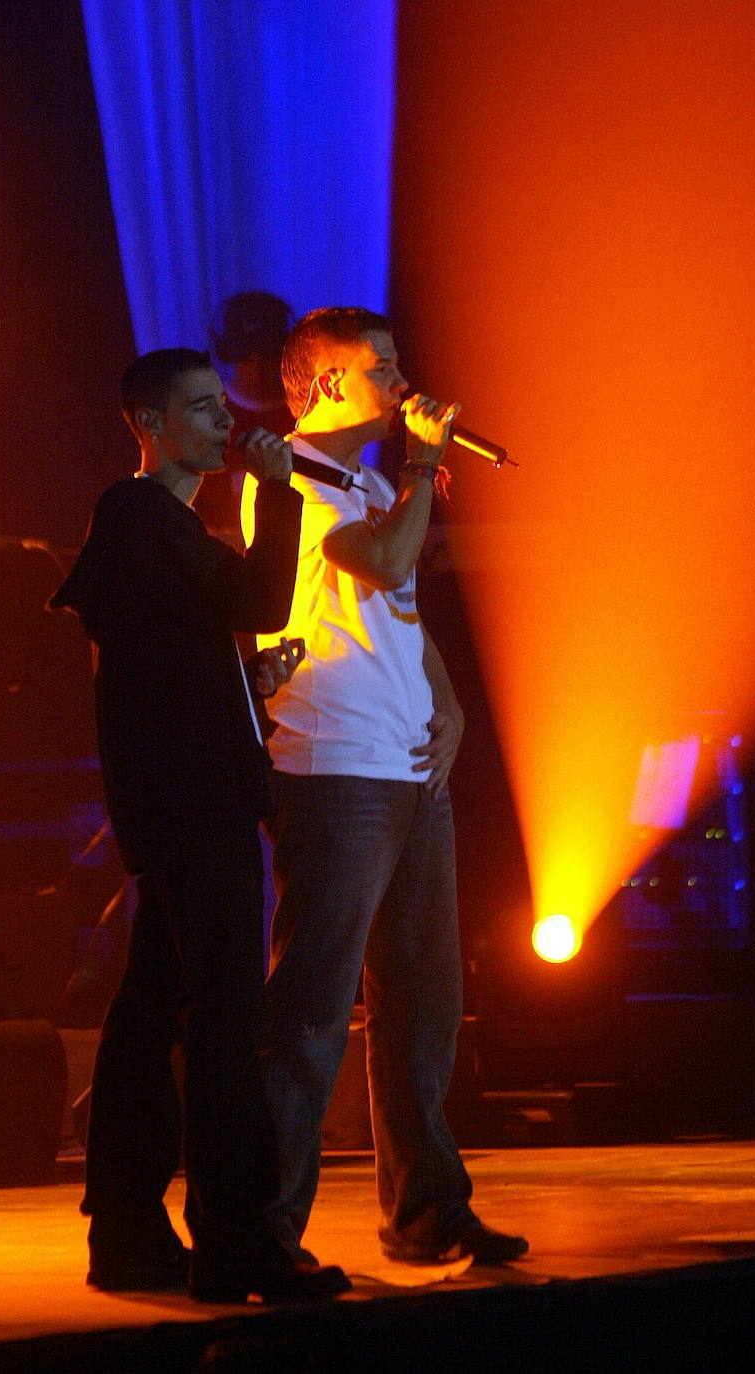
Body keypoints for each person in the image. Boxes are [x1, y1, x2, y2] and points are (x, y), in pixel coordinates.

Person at [49, 347, 349, 1304]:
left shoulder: (151, 530)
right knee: (224, 1021)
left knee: (150, 1017)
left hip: (179, 805)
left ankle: (130, 1233)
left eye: (223, 406)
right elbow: (261, 599)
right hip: (195, 810)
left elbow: (170, 661)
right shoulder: (140, 516)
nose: (226, 423)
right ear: (148, 424)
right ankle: (237, 1246)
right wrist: (281, 496)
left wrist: (238, 687)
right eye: (202, 409)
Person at [241, 308, 529, 1265]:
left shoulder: (363, 479)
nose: (404, 382)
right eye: (382, 367)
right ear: (325, 380)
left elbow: (399, 610)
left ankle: (427, 1211)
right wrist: (418, 468)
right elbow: (389, 558)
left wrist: (445, 705)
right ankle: (265, 1230)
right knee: (315, 1010)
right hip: (337, 772)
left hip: (408, 767)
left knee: (422, 1003)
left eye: (401, 361)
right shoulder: (290, 485)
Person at [194, 291, 296, 548]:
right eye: (249, 354)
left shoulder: (307, 414)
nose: (258, 363)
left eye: (267, 354)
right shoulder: (204, 415)